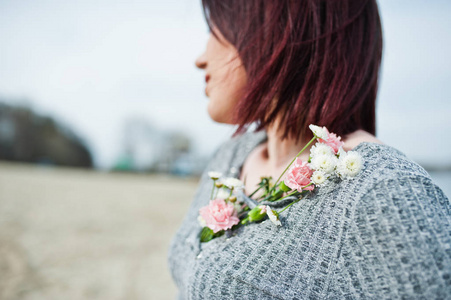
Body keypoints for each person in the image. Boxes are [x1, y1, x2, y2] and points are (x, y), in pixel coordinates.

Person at [168, 0, 451, 299]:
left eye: (215, 29)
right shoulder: (231, 157)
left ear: (276, 34)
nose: (200, 59)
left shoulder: (384, 191)